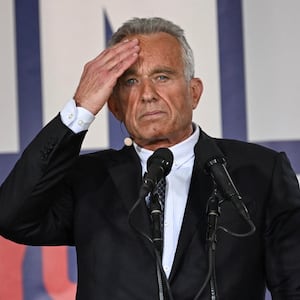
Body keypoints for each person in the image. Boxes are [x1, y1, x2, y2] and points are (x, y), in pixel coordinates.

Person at [0, 17, 300, 300]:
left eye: (162, 76)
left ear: (194, 93)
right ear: (114, 106)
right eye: (130, 82)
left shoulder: (260, 171)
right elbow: (12, 217)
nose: (147, 94)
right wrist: (80, 108)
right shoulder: (88, 180)